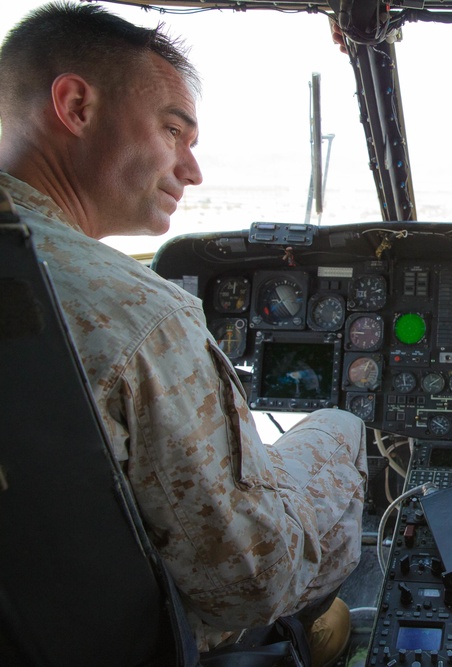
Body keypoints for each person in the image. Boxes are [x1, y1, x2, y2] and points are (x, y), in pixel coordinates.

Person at [0, 3, 366, 663]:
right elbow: (251, 582)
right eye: (174, 130)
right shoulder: (140, 313)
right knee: (340, 428)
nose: (192, 170)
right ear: (76, 105)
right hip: (120, 637)